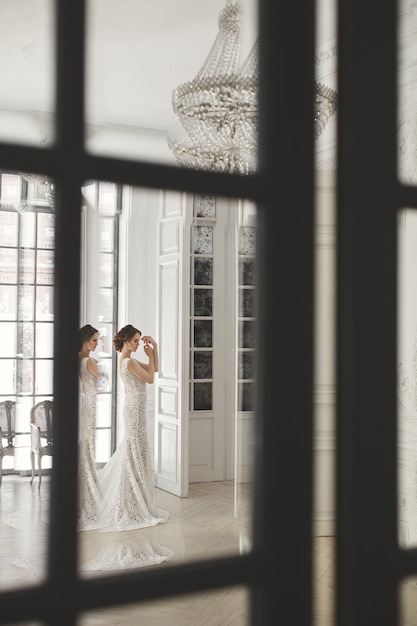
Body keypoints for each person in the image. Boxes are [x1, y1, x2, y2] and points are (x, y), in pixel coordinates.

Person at [97, 324, 169, 531]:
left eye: (140, 340)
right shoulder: (128, 362)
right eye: (136, 341)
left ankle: (135, 496)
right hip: (134, 410)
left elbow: (153, 369)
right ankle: (131, 497)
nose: (139, 344)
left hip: (135, 408)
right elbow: (150, 379)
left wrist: (153, 348)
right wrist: (150, 353)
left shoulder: (128, 360)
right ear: (126, 341)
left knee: (135, 451)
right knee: (134, 451)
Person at [78, 324, 102, 531]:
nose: (96, 343)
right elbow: (101, 383)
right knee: (88, 445)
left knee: (85, 445)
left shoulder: (78, 358)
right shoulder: (89, 361)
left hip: (86, 403)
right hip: (90, 405)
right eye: (94, 340)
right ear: (85, 340)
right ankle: (88, 490)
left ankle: (83, 487)